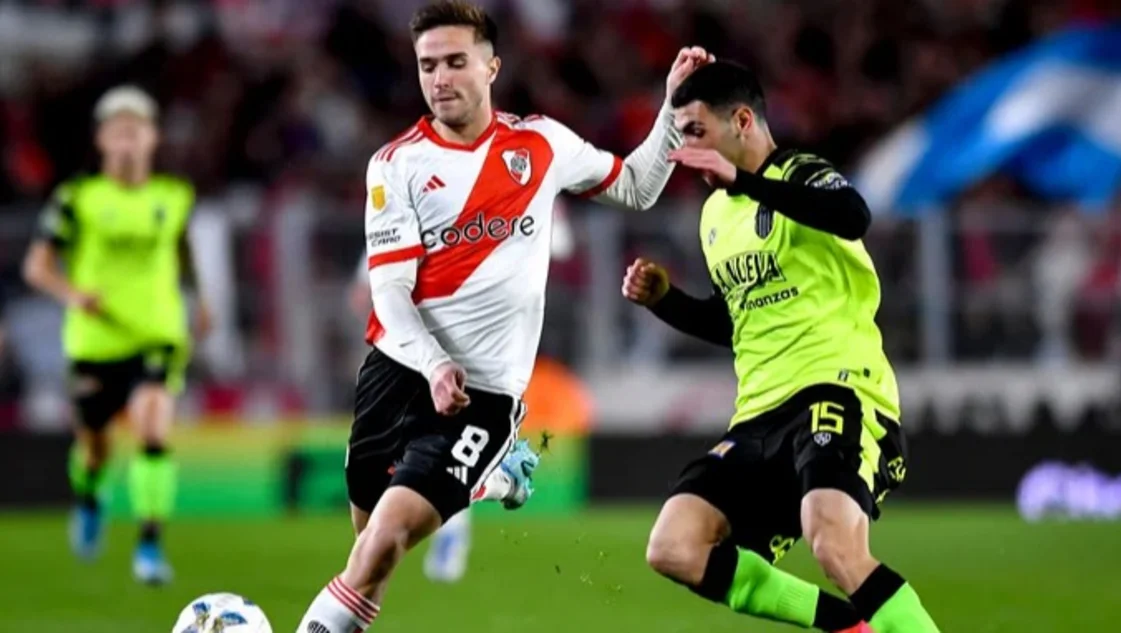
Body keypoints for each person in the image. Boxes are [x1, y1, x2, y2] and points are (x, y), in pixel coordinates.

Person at [294, 2, 706, 630]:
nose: (440, 78)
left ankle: (482, 466)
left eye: (455, 62)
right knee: (368, 552)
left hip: (483, 393)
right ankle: (490, 480)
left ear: (491, 67)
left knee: (384, 542)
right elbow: (390, 290)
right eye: (427, 65)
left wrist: (671, 111)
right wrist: (434, 365)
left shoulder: (541, 144)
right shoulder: (396, 164)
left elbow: (636, 188)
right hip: (397, 375)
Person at [623, 61, 940, 633]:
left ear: (742, 121)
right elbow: (737, 322)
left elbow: (853, 215)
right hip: (757, 417)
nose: (684, 149)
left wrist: (744, 181)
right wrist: (665, 300)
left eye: (694, 131)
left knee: (833, 540)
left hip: (836, 390)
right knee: (675, 546)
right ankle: (847, 626)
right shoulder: (715, 215)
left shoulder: (801, 172)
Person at [22, 85, 211, 585]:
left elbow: (184, 252)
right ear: (102, 139)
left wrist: (201, 301)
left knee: (153, 430)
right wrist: (72, 294)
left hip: (157, 332)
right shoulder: (77, 198)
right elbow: (37, 266)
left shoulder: (173, 195)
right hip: (96, 339)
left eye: (137, 130)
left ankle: (149, 544)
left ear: (153, 138)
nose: (128, 140)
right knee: (95, 448)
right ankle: (89, 495)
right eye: (118, 131)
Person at [344, 196, 577, 584]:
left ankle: (459, 527)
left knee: (438, 453)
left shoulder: (516, 186)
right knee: (376, 514)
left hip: (474, 351)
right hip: (406, 354)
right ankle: (494, 482)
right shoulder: (408, 192)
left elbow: (558, 246)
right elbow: (367, 285)